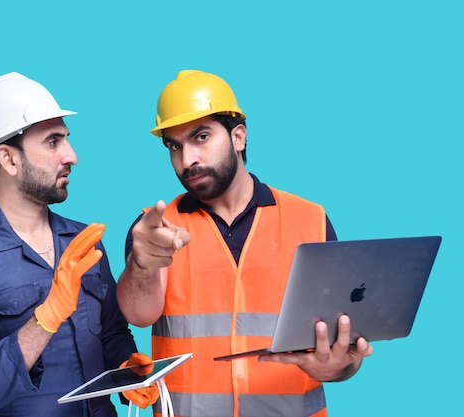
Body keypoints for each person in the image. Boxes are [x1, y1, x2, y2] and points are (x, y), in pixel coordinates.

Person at [116, 69, 374, 417]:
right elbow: (140, 314)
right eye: (175, 146)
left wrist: (337, 369)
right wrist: (142, 264)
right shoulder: (156, 228)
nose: (187, 159)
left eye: (201, 137)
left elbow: (344, 353)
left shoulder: (310, 220)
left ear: (238, 136)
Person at [0, 72, 157, 417]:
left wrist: (128, 368)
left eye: (67, 139)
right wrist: (45, 319)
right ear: (9, 159)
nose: (72, 155)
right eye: (53, 142)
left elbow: (111, 333)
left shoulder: (83, 242)